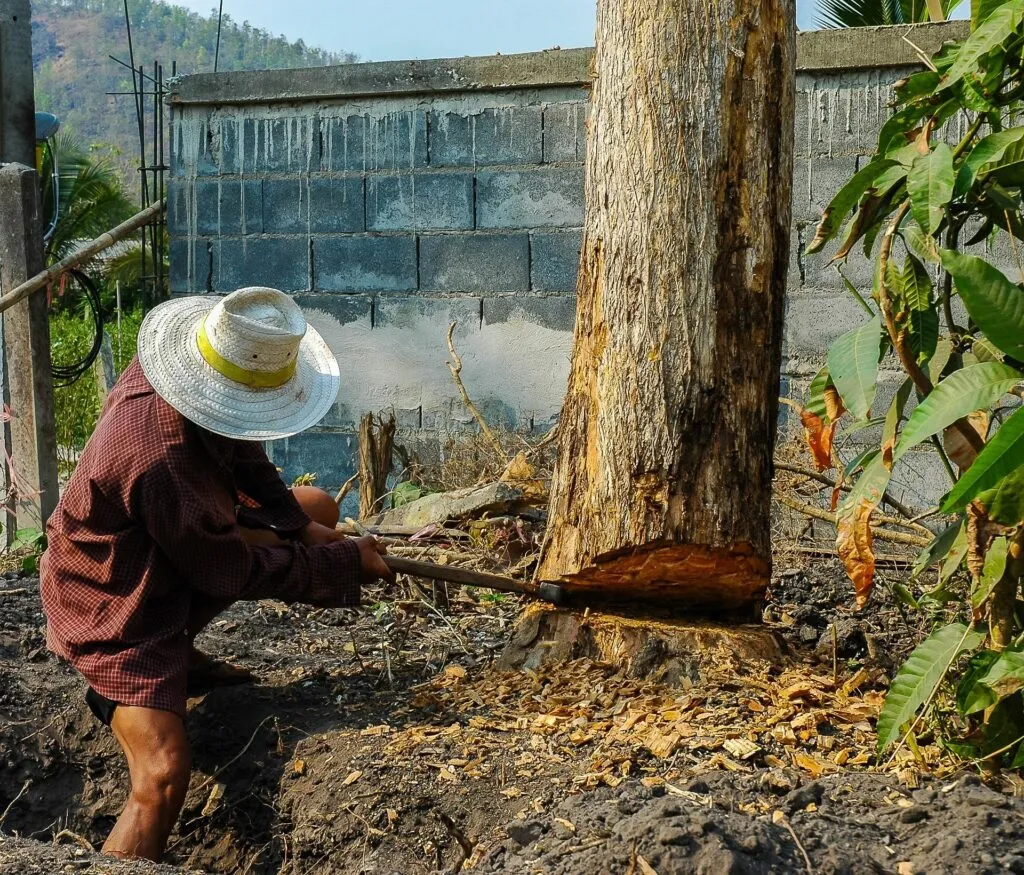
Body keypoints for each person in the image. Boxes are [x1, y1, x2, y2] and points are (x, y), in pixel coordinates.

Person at [40, 287, 394, 862]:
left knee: (317, 508)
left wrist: (301, 531)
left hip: (164, 549)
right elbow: (230, 570)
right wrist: (343, 563)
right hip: (113, 601)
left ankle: (180, 653)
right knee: (160, 778)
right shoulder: (160, 459)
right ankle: (134, 682)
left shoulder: (190, 377)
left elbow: (243, 446)